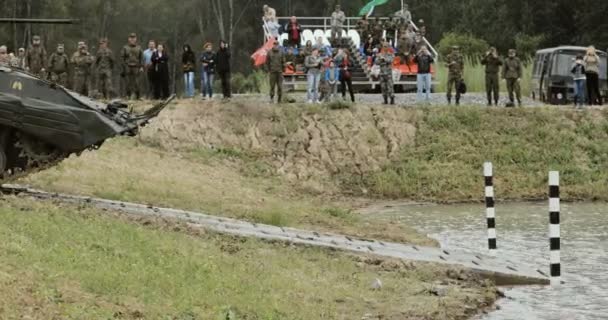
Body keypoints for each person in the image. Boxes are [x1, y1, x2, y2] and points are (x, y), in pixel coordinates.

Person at [120, 33, 143, 99]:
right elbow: (122, 57)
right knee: (128, 83)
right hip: (127, 66)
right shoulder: (125, 47)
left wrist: (141, 66)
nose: (132, 39)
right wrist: (123, 67)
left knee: (137, 82)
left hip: (136, 67)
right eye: (131, 38)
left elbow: (141, 58)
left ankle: (138, 96)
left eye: (134, 38)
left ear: (136, 39)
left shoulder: (139, 47)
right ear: (129, 39)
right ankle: (128, 95)